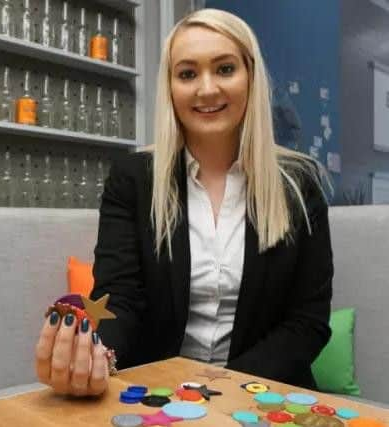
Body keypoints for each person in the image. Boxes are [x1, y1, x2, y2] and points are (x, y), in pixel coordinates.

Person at [35, 8, 333, 397]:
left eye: (225, 69)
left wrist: (218, 393)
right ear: (171, 86)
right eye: (187, 73)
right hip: (158, 397)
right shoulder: (133, 178)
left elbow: (306, 323)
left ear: (251, 76)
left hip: (261, 395)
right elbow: (120, 299)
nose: (206, 89)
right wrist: (97, 356)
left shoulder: (300, 183)